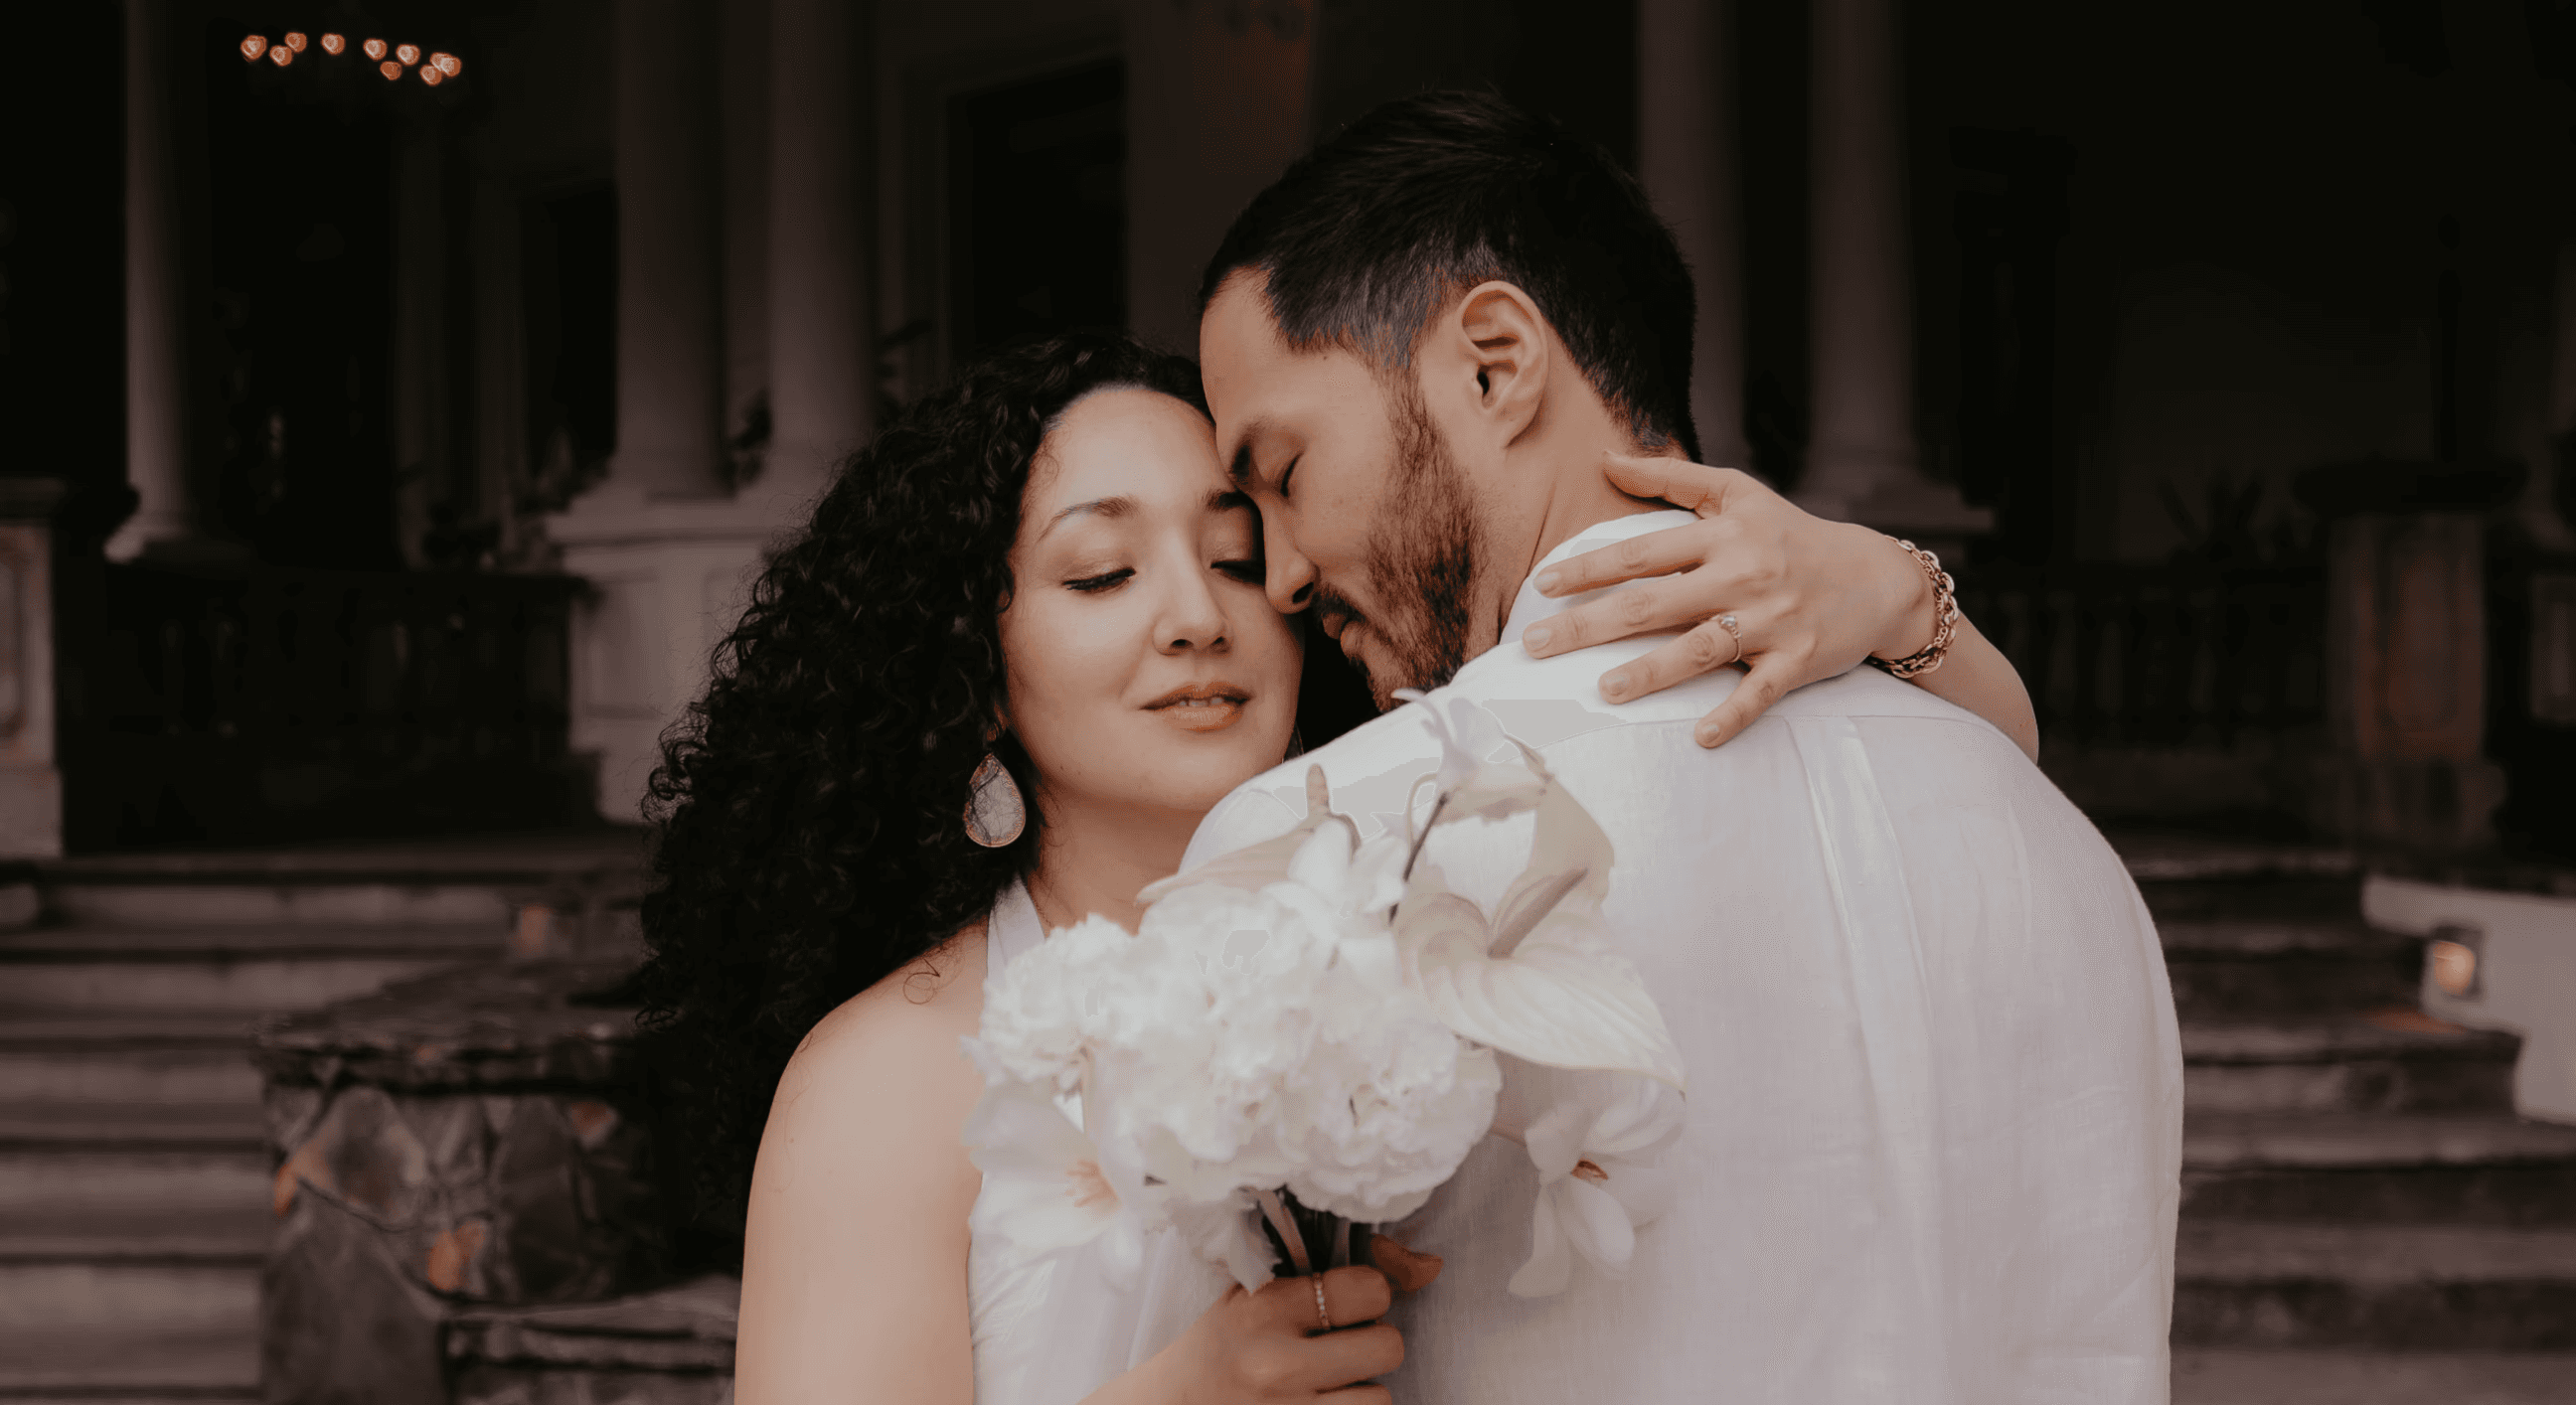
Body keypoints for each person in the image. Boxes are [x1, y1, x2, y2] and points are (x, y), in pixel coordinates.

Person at [633, 322, 2056, 1398]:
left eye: (1239, 553)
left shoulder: (1422, 907)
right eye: (1103, 572)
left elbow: (1981, 796)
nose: (1198, 616)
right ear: (977, 671)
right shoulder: (889, 1074)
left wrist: (1893, 591)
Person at [1086, 91, 2184, 1403]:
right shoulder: (2058, 846)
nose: (1276, 573)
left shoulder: (1337, 841)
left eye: (1282, 469)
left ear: (1495, 361)